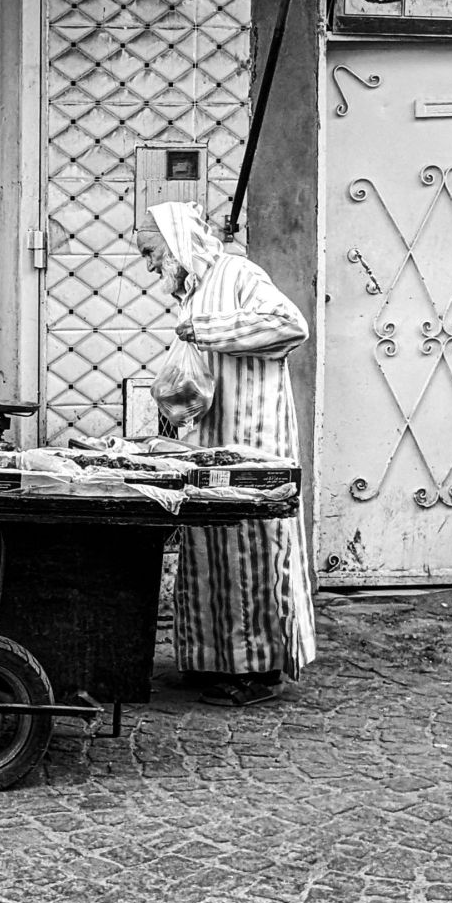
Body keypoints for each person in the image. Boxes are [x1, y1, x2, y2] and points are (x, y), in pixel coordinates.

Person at [136, 201, 316, 705]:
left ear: (176, 242)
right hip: (213, 441)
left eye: (151, 252)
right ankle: (213, 660)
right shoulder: (193, 291)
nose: (149, 266)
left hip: (254, 439)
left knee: (253, 549)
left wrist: (209, 331)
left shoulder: (238, 272)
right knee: (211, 548)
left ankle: (260, 671)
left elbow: (290, 325)